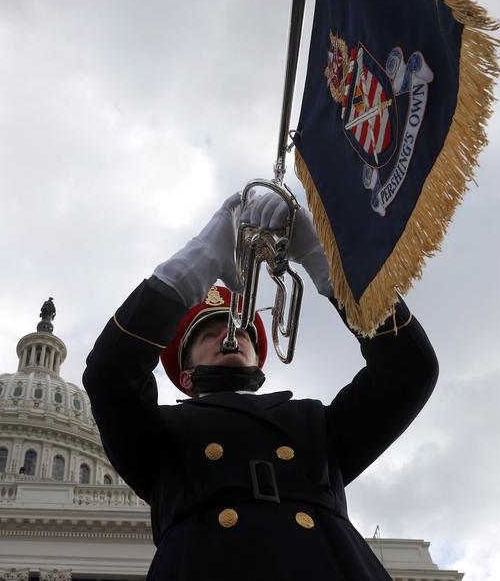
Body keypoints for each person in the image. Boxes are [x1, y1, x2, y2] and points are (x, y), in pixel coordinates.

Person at [82, 192, 438, 580]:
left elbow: (408, 369)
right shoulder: (160, 435)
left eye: (242, 332)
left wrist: (324, 260)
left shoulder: (313, 424)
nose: (230, 335)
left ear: (259, 363)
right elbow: (109, 375)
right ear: (185, 376)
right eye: (209, 335)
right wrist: (193, 268)